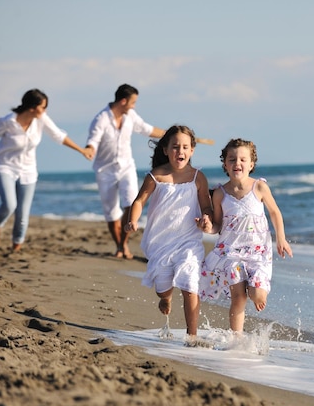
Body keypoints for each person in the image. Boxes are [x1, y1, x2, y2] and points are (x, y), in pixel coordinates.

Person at [0, 89, 92, 252]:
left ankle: (16, 246)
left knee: (23, 214)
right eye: (43, 107)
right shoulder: (8, 121)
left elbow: (58, 135)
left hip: (28, 170)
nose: (45, 111)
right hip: (4, 166)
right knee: (10, 205)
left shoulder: (41, 119)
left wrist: (81, 150)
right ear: (32, 107)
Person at [126, 124, 213, 343]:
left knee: (190, 284)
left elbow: (206, 206)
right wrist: (133, 220)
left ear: (192, 150)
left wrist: (206, 218)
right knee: (163, 290)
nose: (180, 151)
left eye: (185, 147)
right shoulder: (156, 176)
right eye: (175, 147)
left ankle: (192, 336)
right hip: (161, 243)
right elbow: (139, 201)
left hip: (189, 241)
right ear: (166, 150)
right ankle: (165, 299)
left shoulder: (198, 177)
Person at [199, 138, 293, 333]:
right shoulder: (220, 194)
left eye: (243, 159)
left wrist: (281, 238)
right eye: (232, 159)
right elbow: (217, 225)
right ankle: (236, 338)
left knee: (257, 294)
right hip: (231, 252)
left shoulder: (259, 187)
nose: (237, 163)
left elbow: (275, 212)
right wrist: (207, 227)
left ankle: (257, 292)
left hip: (258, 252)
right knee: (238, 297)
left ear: (251, 164)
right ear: (225, 164)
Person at [84, 84, 166, 260]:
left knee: (131, 203)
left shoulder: (130, 116)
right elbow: (93, 139)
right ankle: (119, 246)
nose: (134, 106)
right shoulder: (101, 119)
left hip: (127, 167)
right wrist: (90, 148)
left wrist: (170, 135)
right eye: (133, 102)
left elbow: (147, 129)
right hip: (105, 171)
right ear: (123, 101)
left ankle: (123, 245)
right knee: (111, 211)